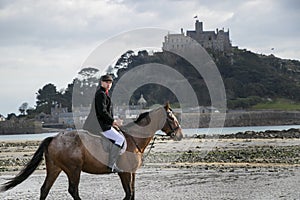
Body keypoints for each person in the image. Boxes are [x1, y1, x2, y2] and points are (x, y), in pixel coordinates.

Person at [83, 74, 125, 173]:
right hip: (99, 126)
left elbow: (107, 112)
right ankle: (111, 164)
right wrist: (113, 121)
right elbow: (102, 112)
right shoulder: (101, 94)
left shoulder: (104, 93)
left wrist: (113, 122)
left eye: (110, 83)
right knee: (120, 138)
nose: (108, 84)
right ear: (102, 82)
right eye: (106, 82)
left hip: (104, 124)